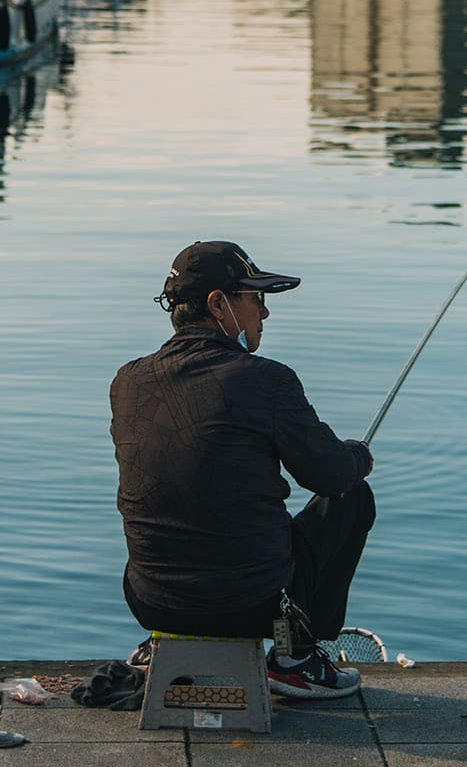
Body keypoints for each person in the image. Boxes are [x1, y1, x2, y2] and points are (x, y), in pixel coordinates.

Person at [110, 239, 375, 699]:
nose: (265, 313)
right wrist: (358, 456)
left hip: (151, 602)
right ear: (218, 304)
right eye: (256, 298)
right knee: (352, 496)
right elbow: (330, 476)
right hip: (252, 604)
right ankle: (296, 657)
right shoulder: (265, 379)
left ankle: (167, 643)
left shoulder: (128, 380)